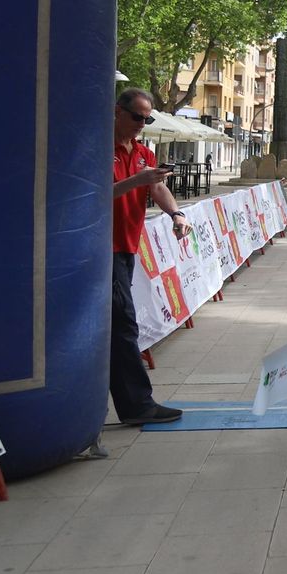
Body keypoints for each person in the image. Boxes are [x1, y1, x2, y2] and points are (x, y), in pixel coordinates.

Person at [110, 88, 186, 426]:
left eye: (147, 119)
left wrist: (176, 215)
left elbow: (157, 188)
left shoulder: (144, 152)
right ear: (118, 112)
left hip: (127, 247)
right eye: (138, 117)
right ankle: (137, 405)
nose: (142, 124)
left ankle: (122, 400)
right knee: (124, 324)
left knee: (115, 326)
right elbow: (95, 194)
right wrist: (136, 180)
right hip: (103, 249)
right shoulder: (100, 148)